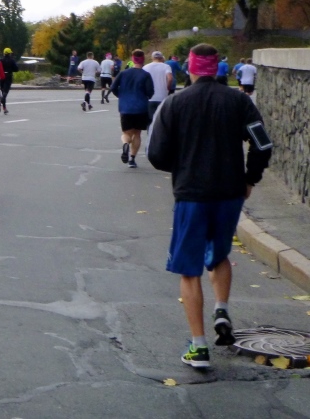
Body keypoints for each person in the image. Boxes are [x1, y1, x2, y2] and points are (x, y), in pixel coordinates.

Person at [148, 43, 272, 368]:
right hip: (230, 192)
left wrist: (183, 166)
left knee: (189, 271)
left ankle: (199, 347)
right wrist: (250, 178)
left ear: (189, 68)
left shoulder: (175, 104)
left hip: (192, 194)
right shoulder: (239, 101)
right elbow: (263, 143)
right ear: (217, 68)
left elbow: (156, 154)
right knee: (219, 254)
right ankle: (222, 310)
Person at [109, 49, 154, 168]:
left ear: (132, 59)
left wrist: (121, 96)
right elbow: (150, 92)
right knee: (137, 133)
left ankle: (125, 144)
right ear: (143, 59)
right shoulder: (146, 75)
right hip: (141, 108)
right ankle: (132, 159)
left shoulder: (123, 73)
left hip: (125, 107)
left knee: (126, 133)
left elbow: (113, 87)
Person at [143, 51, 173, 127]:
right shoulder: (166, 66)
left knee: (150, 120)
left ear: (152, 58)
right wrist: (168, 88)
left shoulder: (146, 67)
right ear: (161, 57)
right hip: (162, 96)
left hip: (150, 97)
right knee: (162, 120)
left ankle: (150, 133)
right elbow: (170, 78)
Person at [0, 47, 20, 114]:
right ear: (9, 54)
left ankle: (4, 108)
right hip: (8, 77)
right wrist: (11, 69)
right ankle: (0, 102)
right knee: (5, 92)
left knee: (3, 92)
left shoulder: (0, 60)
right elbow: (16, 69)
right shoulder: (12, 60)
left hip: (1, 77)